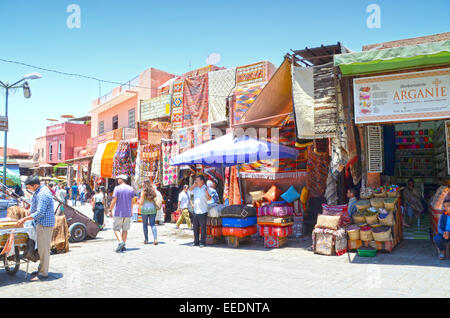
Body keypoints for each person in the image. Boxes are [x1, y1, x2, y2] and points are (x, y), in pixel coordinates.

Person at [17, 175, 55, 281]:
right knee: (41, 249)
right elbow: (36, 207)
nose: (28, 189)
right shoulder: (39, 191)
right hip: (41, 224)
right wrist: (30, 210)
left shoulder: (43, 193)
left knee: (44, 250)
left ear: (35, 185)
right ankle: (41, 270)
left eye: (29, 187)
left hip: (44, 225)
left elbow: (40, 213)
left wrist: (25, 219)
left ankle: (43, 273)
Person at [109, 175, 134, 252]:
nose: (117, 180)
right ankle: (123, 245)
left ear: (121, 179)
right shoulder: (131, 189)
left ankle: (120, 242)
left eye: (118, 179)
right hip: (127, 212)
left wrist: (110, 210)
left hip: (119, 212)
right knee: (125, 229)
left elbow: (114, 200)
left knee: (116, 228)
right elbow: (132, 202)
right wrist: (131, 211)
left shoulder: (117, 188)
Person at [189, 175, 211, 247]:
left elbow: (209, 198)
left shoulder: (206, 188)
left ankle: (202, 242)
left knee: (203, 228)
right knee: (195, 227)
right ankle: (196, 242)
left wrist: (207, 192)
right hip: (196, 210)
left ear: (202, 181)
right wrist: (194, 184)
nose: (196, 182)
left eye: (197, 180)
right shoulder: (196, 188)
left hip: (203, 210)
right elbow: (190, 190)